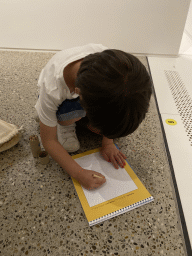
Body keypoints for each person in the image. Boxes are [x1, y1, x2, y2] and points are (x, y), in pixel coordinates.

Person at [35, 44, 152, 191]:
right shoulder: (53, 88)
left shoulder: (116, 65)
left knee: (117, 120)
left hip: (83, 95)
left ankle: (57, 117)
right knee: (59, 115)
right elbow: (48, 140)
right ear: (79, 95)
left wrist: (108, 143)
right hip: (62, 100)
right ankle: (61, 121)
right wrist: (78, 173)